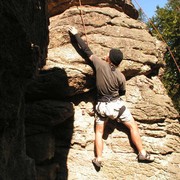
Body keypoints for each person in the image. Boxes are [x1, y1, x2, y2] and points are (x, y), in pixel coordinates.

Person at [68, 26, 154, 168]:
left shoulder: (100, 64)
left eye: (108, 54)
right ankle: (142, 153)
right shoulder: (121, 76)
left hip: (102, 106)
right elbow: (122, 93)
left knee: (99, 131)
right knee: (133, 126)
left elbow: (85, 50)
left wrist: (76, 35)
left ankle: (99, 158)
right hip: (116, 106)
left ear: (109, 58)